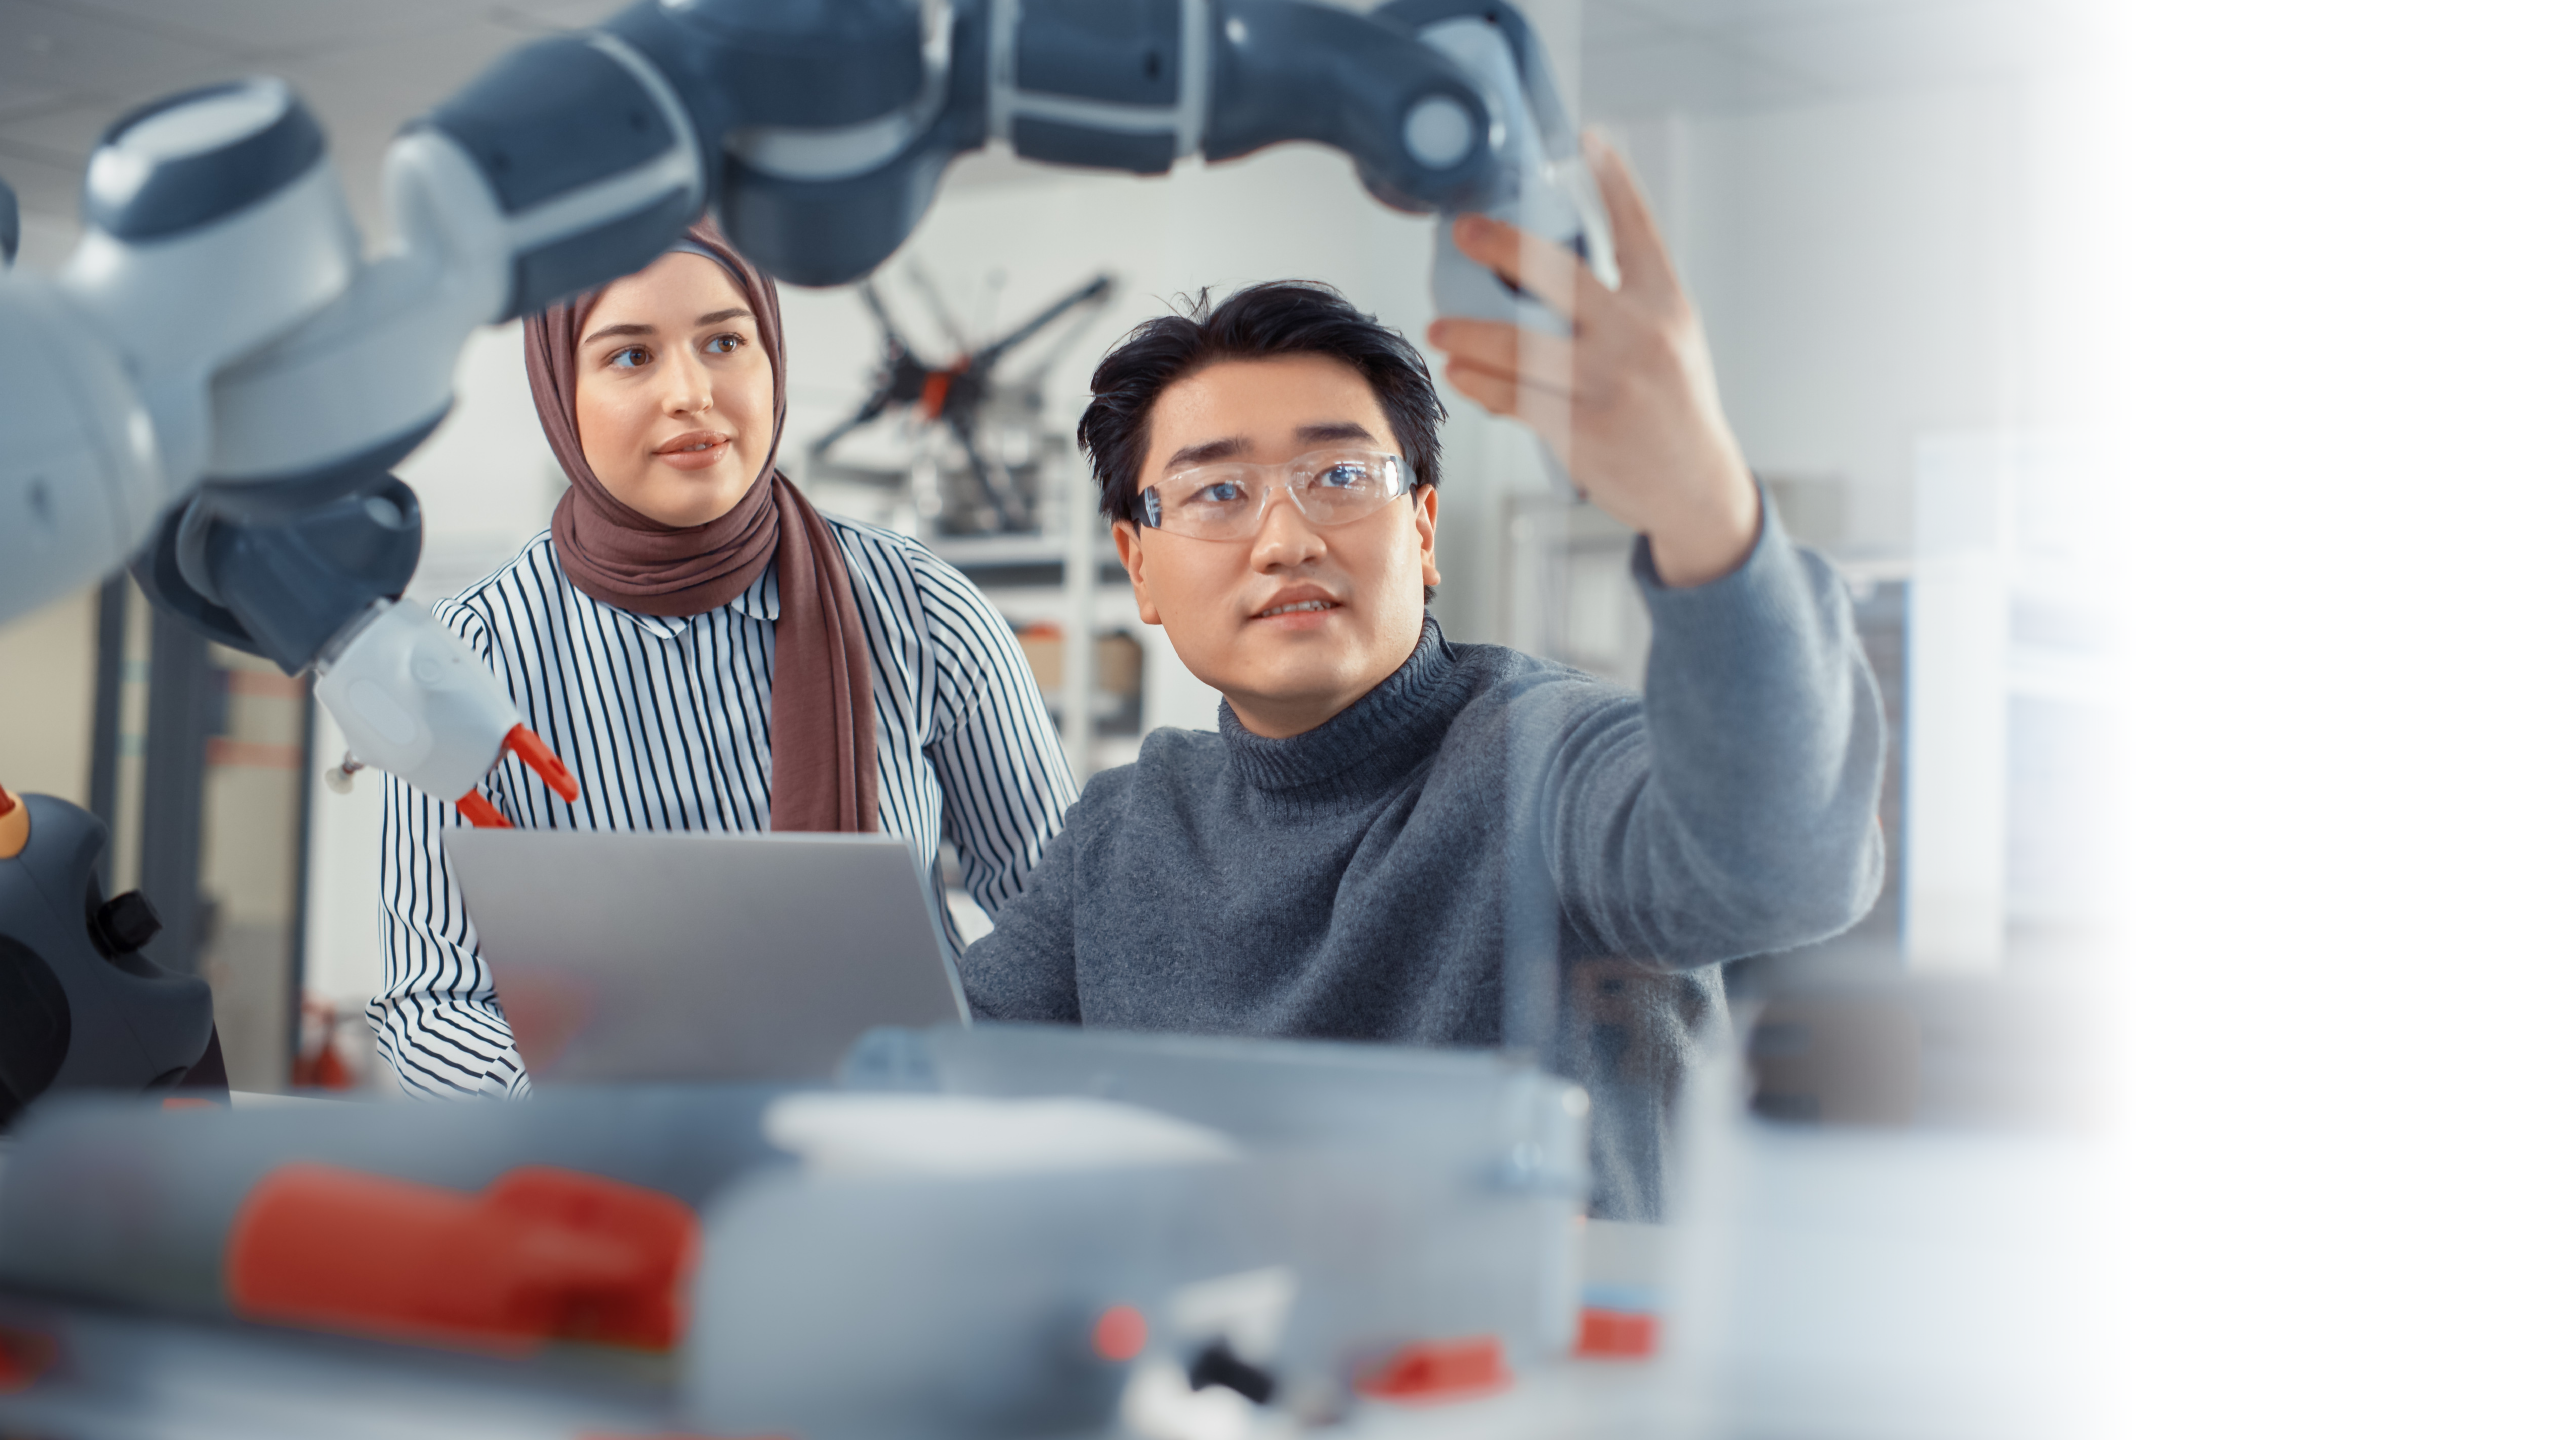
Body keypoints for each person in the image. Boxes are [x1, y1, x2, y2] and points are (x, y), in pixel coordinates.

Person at [959, 140, 1886, 1219]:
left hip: (1542, 1374)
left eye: (1340, 476)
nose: (1285, 538)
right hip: (1218, 1376)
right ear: (1139, 567)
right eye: (1217, 493)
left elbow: (1781, 867)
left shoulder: (1543, 756)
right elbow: (935, 1077)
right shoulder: (1123, 830)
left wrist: (1706, 513)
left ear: (1424, 527)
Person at [373, 223, 1075, 1098]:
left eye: (724, 342)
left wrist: (952, 1062)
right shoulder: (468, 660)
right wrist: (585, 1107)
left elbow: (1063, 931)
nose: (692, 392)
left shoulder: (920, 611)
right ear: (560, 391)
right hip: (614, 1192)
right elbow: (431, 1004)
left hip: (902, 1151)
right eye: (630, 356)